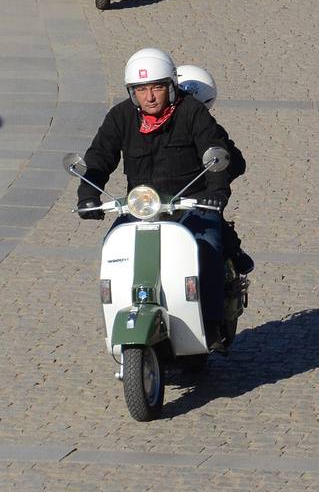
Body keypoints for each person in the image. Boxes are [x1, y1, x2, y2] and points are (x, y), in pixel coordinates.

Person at [74, 48, 249, 350]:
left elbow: (215, 150)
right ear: (131, 92)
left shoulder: (192, 112)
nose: (149, 96)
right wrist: (88, 191)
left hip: (191, 203)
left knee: (205, 248)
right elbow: (100, 155)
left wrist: (216, 194)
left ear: (170, 86)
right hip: (142, 207)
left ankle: (211, 324)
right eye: (140, 89)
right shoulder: (121, 117)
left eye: (156, 87)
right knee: (112, 249)